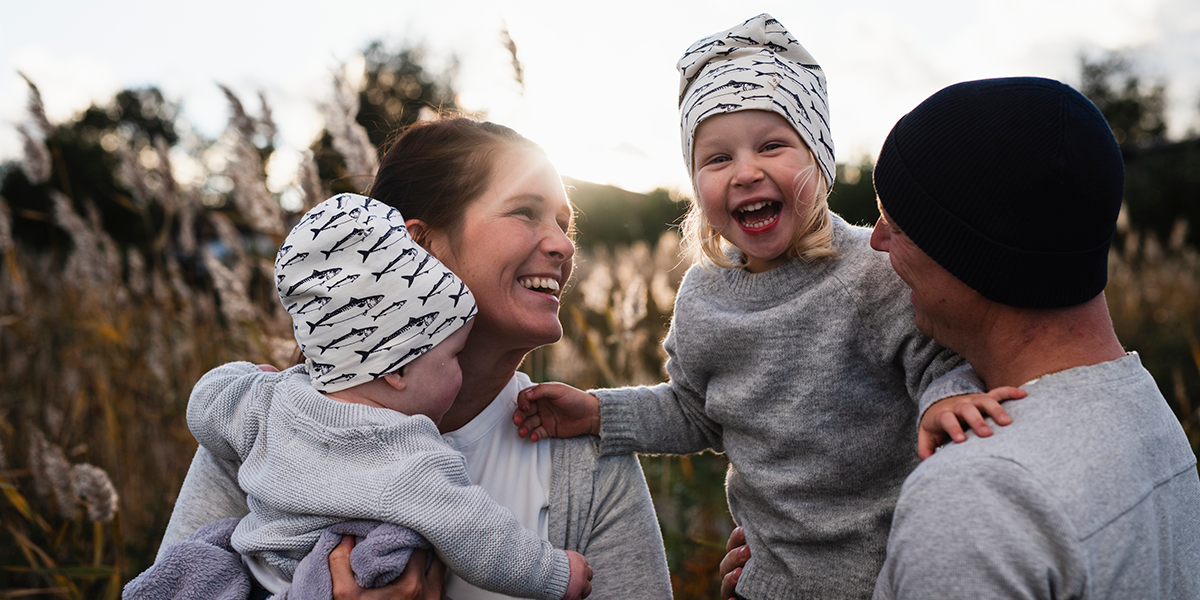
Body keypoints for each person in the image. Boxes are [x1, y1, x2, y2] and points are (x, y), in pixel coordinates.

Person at [512, 14, 1017, 600]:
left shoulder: (873, 274)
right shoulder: (704, 298)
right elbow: (696, 411)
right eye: (717, 159)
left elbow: (936, 363)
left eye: (773, 145)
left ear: (819, 161)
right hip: (768, 583)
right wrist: (599, 413)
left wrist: (947, 399)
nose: (746, 172)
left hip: (892, 575)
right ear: (695, 185)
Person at [154, 117, 672, 599]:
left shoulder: (585, 460)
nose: (563, 245)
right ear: (418, 246)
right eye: (525, 212)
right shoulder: (268, 430)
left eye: (565, 223)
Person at [145, 193, 590, 600]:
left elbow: (205, 404)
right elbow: (479, 534)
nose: (459, 368)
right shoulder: (409, 454)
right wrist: (555, 573)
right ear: (396, 370)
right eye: (454, 355)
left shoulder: (272, 400)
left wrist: (251, 378)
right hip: (321, 583)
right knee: (395, 551)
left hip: (248, 575)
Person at [867, 77, 1200, 598]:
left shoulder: (978, 501)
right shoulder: (1145, 410)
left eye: (898, 224)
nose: (876, 240)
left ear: (973, 255)